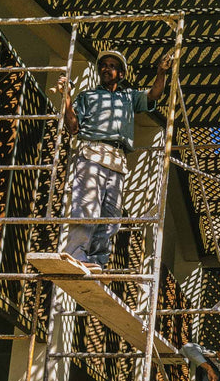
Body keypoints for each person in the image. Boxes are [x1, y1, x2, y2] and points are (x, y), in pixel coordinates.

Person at [58, 50, 171, 269]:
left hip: (118, 159)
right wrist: (67, 97)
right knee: (86, 207)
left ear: (121, 74)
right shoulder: (88, 96)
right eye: (103, 65)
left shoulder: (128, 96)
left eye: (112, 66)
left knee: (111, 217)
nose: (106, 68)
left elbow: (154, 95)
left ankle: (96, 261)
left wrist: (161, 73)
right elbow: (73, 126)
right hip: (93, 152)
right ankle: (76, 255)